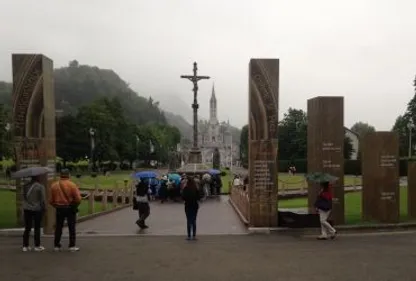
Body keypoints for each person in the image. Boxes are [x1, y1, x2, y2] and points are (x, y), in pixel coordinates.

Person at [50, 169, 82, 252]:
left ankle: (56, 245)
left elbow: (51, 201)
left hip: (59, 208)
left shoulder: (54, 185)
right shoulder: (72, 185)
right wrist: (74, 205)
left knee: (58, 227)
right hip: (69, 208)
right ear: (69, 175)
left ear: (60, 175)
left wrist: (56, 205)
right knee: (71, 227)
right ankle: (72, 245)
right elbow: (78, 199)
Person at [22, 175, 46, 252]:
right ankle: (37, 245)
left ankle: (25, 246)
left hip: (27, 208)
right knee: (37, 227)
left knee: (27, 227)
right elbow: (42, 200)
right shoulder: (40, 187)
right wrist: (44, 208)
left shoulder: (25, 186)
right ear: (38, 178)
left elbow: (24, 196)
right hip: (36, 209)